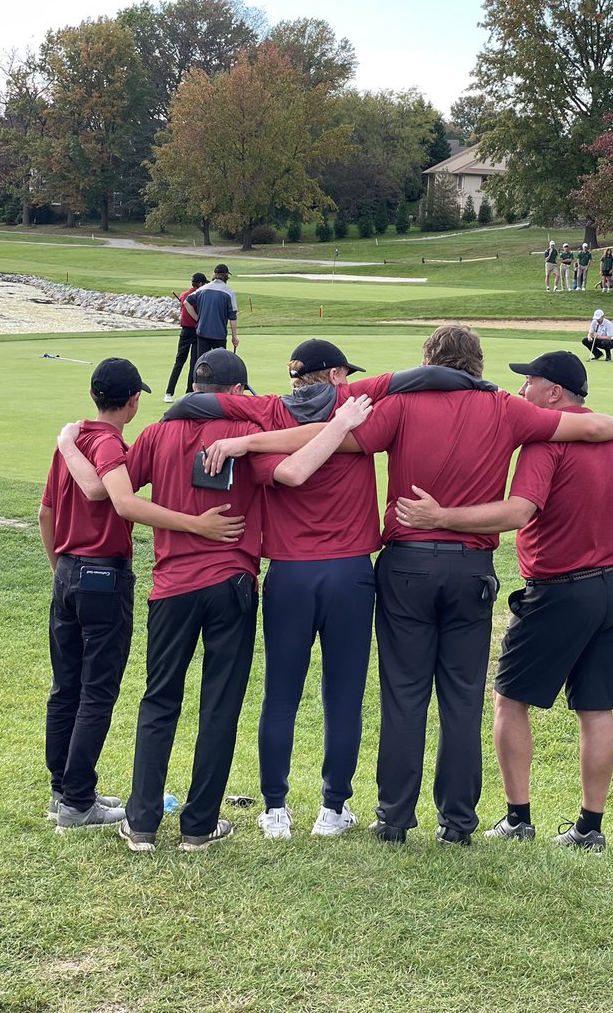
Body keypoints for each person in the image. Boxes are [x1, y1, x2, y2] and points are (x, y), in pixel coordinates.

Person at [224, 326, 613, 845]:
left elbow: (327, 438)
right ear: (476, 364)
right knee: (463, 699)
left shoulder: (403, 405)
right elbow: (585, 429)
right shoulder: (505, 409)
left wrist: (249, 440)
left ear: (429, 361)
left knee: (403, 695)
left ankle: (395, 819)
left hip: (405, 566)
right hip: (470, 569)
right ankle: (457, 824)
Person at [168, 340, 495, 841]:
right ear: (337, 373)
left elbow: (201, 403)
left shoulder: (267, 416)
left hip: (290, 575)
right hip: (349, 574)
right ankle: (332, 809)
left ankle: (275, 810)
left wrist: (188, 415)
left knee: (281, 694)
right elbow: (420, 377)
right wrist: (479, 384)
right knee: (342, 696)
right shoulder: (355, 406)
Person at [57, 350, 372, 852]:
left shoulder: (159, 431)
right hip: (232, 584)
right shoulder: (253, 420)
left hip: (171, 587)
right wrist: (341, 420)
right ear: (238, 390)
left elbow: (104, 491)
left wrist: (68, 446)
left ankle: (141, 824)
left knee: (159, 701)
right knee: (219, 705)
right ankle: (199, 826)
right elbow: (300, 444)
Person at [394, 350, 613, 852]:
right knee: (596, 708)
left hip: (559, 592)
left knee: (509, 699)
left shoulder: (545, 441)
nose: (522, 390)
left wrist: (440, 517)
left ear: (554, 393)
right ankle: (589, 829)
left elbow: (517, 513)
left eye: (529, 382)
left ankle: (518, 818)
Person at [40, 357, 239, 834]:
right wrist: (197, 525)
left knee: (66, 687)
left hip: (66, 572)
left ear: (93, 396)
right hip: (101, 575)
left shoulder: (75, 440)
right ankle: (77, 800)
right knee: (96, 690)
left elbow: (45, 514)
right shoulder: (107, 444)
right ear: (133, 402)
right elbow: (114, 498)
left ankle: (64, 790)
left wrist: (61, 571)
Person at [164, 272, 206, 404]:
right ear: (200, 284)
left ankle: (169, 392)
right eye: (203, 283)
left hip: (185, 332)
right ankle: (189, 392)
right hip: (196, 331)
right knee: (193, 363)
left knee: (179, 361)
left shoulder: (184, 295)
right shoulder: (200, 295)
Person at [185, 264, 239, 357]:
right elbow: (233, 317)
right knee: (219, 364)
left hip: (202, 332)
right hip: (219, 334)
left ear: (214, 274)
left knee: (202, 363)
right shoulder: (229, 292)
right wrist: (234, 337)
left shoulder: (202, 289)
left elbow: (186, 302)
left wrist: (198, 319)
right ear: (226, 276)